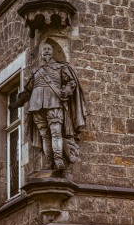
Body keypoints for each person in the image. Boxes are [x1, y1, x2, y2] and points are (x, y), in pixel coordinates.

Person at [9, 43, 87, 171]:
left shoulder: (61, 67)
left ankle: (58, 160)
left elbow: (71, 82)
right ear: (41, 53)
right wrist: (17, 103)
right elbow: (28, 90)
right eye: (44, 49)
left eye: (48, 49)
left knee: (56, 132)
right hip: (36, 104)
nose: (46, 51)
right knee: (45, 135)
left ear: (53, 52)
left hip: (54, 101)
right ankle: (49, 162)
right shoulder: (35, 71)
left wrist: (66, 91)